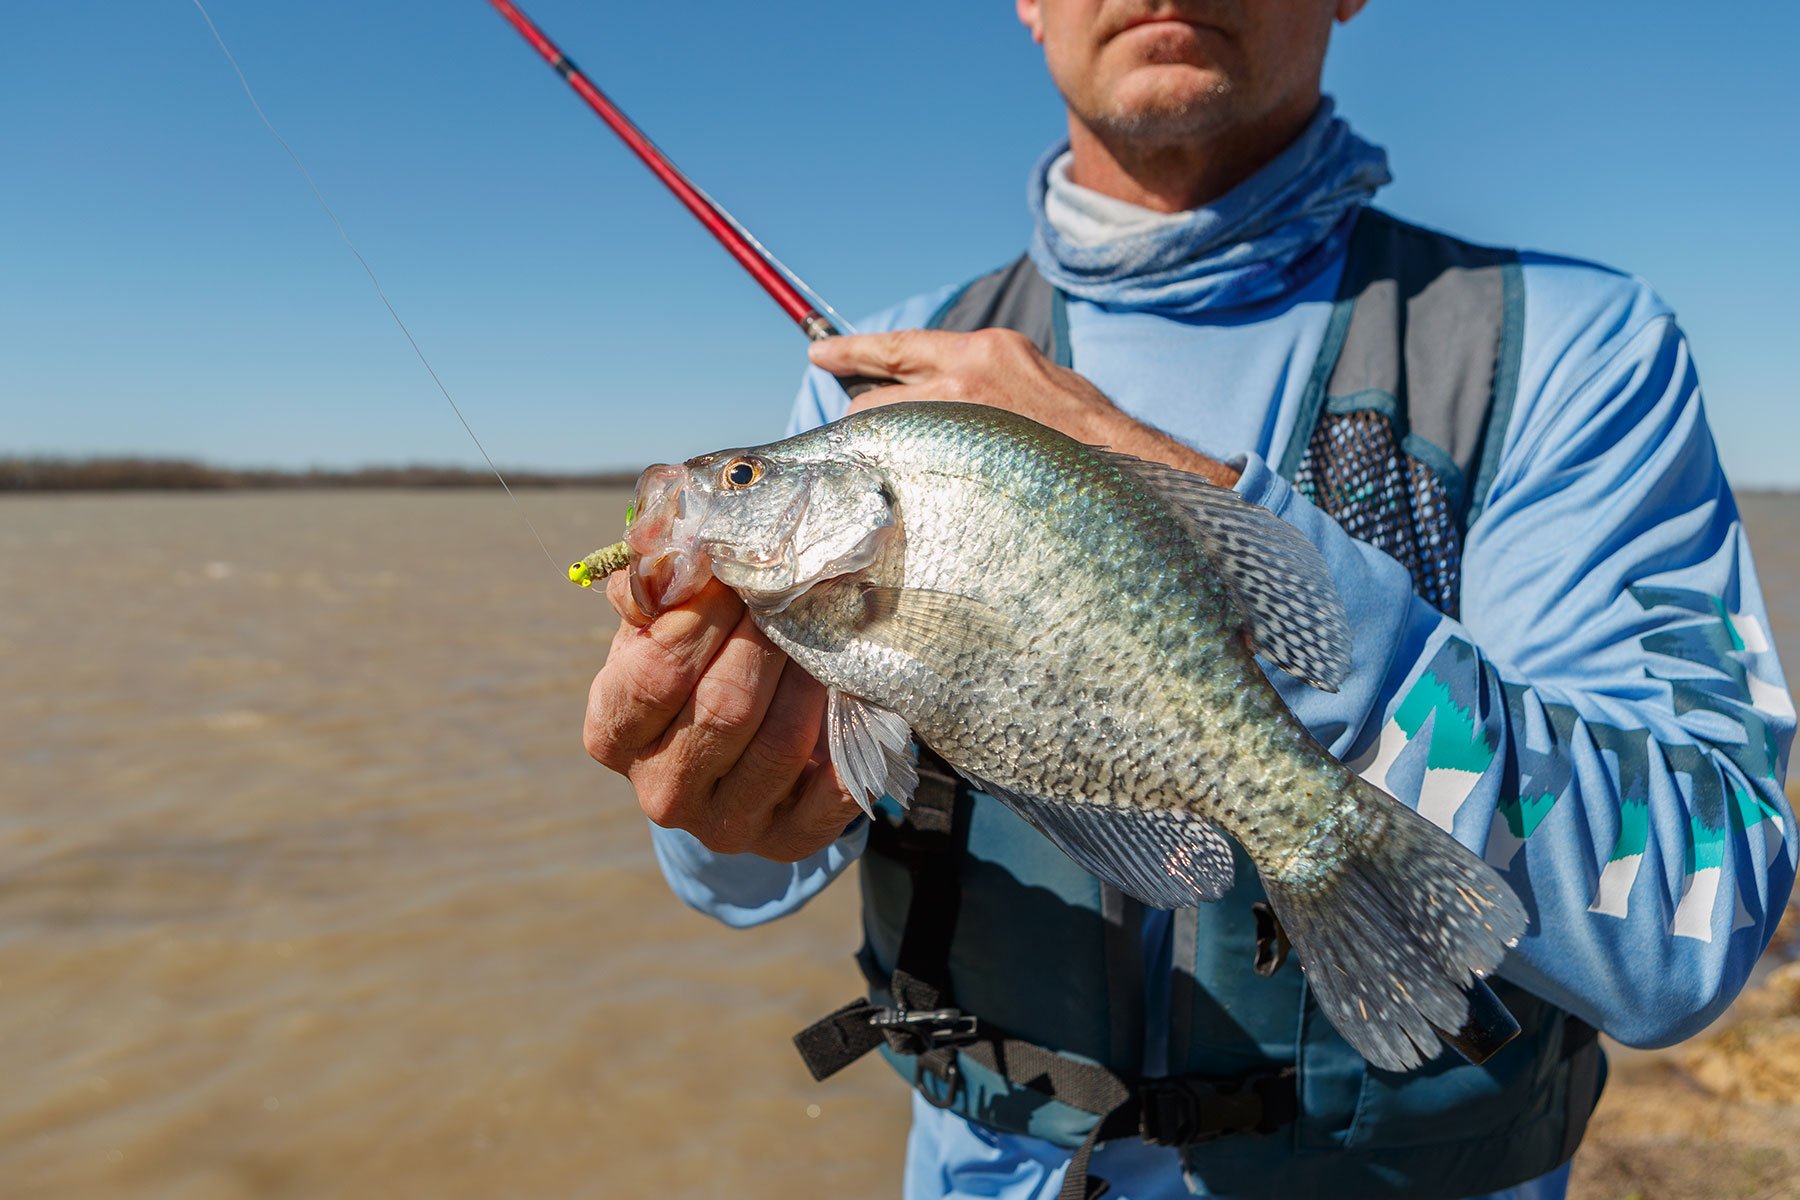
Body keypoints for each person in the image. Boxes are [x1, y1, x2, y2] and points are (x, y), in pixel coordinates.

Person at [583, 2, 1796, 1197]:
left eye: (744, 483)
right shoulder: (874, 385)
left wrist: (1225, 536)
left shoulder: (1576, 349)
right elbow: (742, 875)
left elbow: (1702, 916)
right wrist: (708, 785)